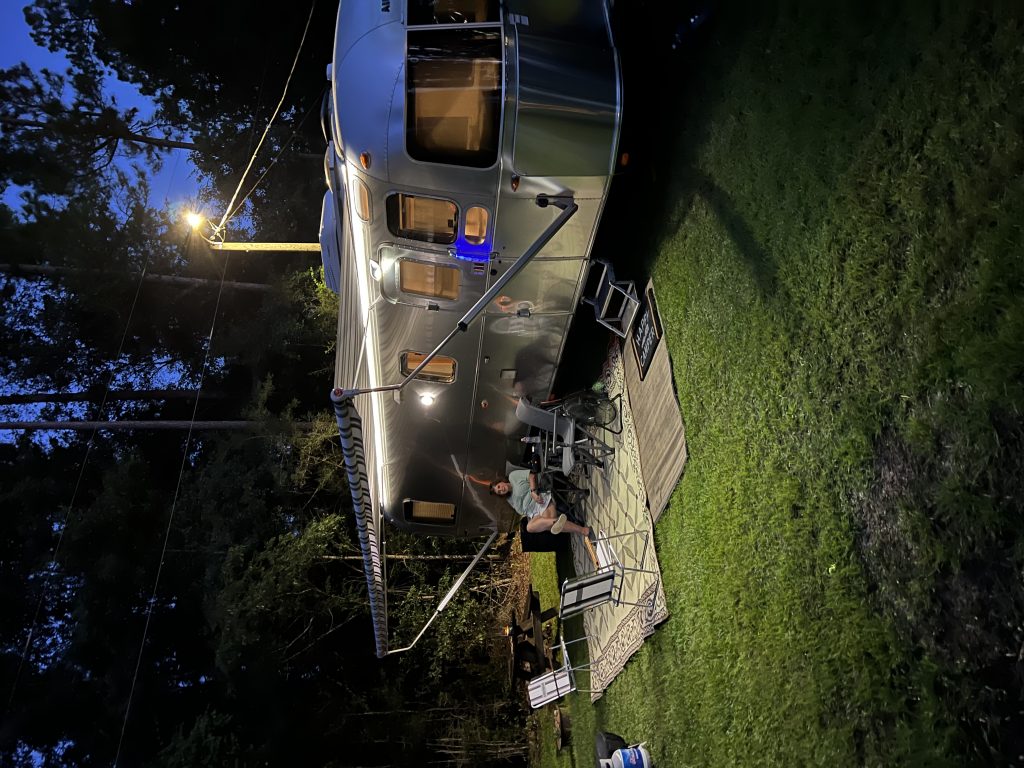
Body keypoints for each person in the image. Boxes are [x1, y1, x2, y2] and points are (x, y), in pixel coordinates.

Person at [490, 469, 590, 537]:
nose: (501, 489)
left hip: (540, 500)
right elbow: (521, 511)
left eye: (499, 486)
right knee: (529, 528)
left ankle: (582, 530)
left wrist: (533, 491)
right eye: (499, 492)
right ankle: (557, 522)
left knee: (549, 525)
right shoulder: (509, 499)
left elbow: (531, 476)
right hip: (533, 514)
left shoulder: (513, 477)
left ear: (501, 481)